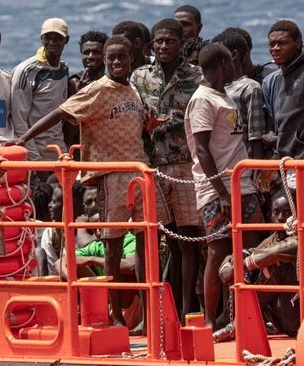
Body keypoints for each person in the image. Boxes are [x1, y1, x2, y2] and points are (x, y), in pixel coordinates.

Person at [14, 35, 163, 330]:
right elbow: (60, 112)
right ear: (106, 61)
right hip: (112, 175)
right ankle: (116, 315)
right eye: (112, 59)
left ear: (131, 61)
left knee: (147, 245)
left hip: (139, 172)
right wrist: (24, 138)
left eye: (123, 58)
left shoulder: (133, 89)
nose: (117, 63)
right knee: (113, 248)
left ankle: (148, 317)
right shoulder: (96, 90)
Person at [130, 18, 203, 319]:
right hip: (153, 166)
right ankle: (160, 313)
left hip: (186, 164)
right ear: (151, 44)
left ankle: (188, 311)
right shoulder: (140, 76)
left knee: (187, 240)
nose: (163, 46)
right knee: (165, 240)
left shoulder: (197, 75)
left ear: (181, 42)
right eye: (158, 42)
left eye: (169, 41)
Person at [186, 43, 262, 329]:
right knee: (218, 252)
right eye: (230, 62)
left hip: (242, 185)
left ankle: (246, 315)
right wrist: (222, 192)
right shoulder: (203, 99)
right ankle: (210, 319)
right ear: (221, 63)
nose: (235, 67)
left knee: (253, 250)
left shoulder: (225, 96)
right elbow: (202, 150)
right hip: (219, 191)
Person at [217, 192, 299, 340]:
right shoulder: (273, 238)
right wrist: (228, 266)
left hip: (299, 318)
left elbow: (278, 252)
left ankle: (241, 324)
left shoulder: (300, 235)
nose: (281, 217)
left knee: (275, 264)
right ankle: (244, 321)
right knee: (245, 257)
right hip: (283, 316)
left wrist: (241, 266)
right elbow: (251, 253)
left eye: (287, 212)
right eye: (276, 212)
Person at [11, 18, 70, 161]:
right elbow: (19, 120)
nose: (52, 43)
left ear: (66, 40)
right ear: (41, 39)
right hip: (36, 152)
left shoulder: (64, 69)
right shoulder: (26, 71)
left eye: (58, 39)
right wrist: (34, 159)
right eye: (48, 38)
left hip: (58, 151)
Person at [257, 19, 304, 193]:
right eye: (272, 44)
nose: (275, 48)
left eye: (282, 43)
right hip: (289, 164)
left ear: (298, 43)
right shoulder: (276, 79)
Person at [211, 29, 265, 160]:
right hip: (220, 162)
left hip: (243, 163)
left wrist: (257, 168)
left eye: (218, 54)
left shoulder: (249, 87)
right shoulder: (215, 88)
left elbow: (256, 135)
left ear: (233, 55)